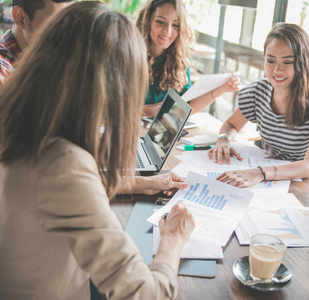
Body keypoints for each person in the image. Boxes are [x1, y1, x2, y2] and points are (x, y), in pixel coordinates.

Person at [0, 2, 195, 299]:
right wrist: (173, 241)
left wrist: (142, 183)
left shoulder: (23, 120)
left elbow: (56, 195)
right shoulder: (63, 163)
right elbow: (146, 294)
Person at [0, 0, 189, 196]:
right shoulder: (4, 74)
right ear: (20, 17)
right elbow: (46, 176)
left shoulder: (43, 62)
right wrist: (138, 183)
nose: (70, 34)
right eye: (59, 22)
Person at [208, 23, 309, 187]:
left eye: (287, 62)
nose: (277, 70)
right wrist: (224, 139)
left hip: (302, 185)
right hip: (265, 180)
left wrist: (261, 173)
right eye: (270, 61)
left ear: (303, 63)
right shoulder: (258, 91)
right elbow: (231, 124)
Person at [136, 0, 240, 117]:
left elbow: (186, 107)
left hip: (156, 131)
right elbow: (112, 104)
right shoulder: (129, 55)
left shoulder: (180, 60)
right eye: (160, 22)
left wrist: (220, 89)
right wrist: (145, 110)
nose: (168, 31)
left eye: (175, 25)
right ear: (147, 21)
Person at [0, 0, 74, 83]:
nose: (65, 34)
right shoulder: (3, 71)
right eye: (54, 24)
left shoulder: (47, 61)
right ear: (20, 17)